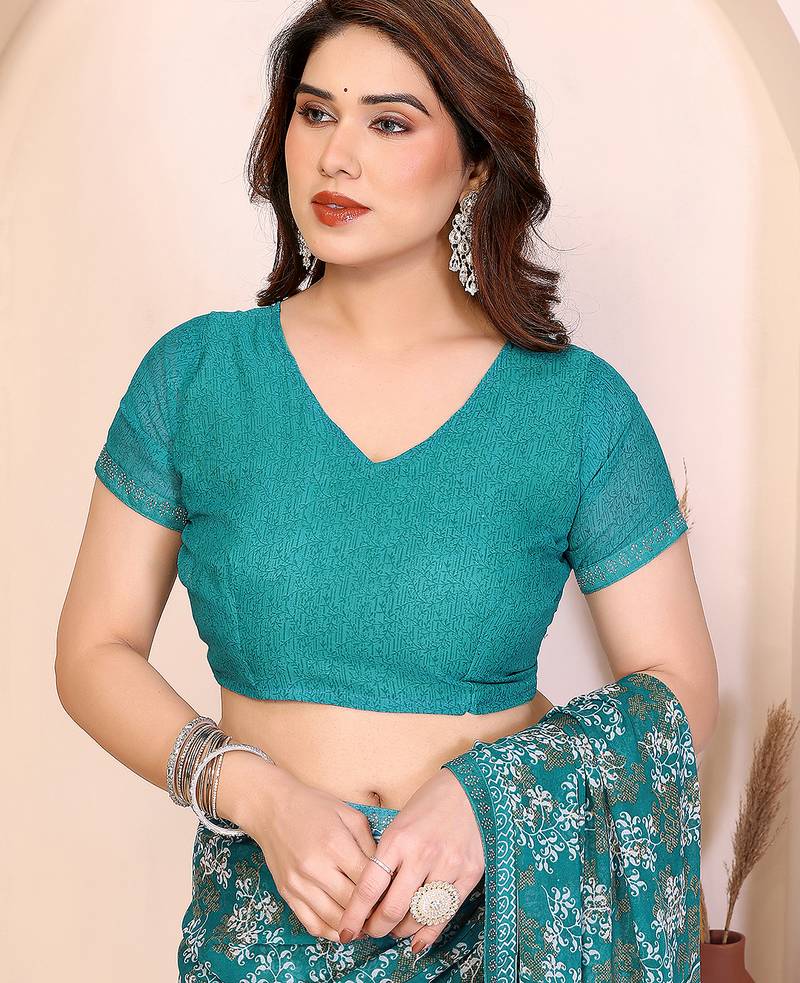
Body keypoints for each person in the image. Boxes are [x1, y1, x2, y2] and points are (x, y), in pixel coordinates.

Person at [55, 2, 719, 981]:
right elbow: (91, 650)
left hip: (496, 929)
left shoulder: (576, 406)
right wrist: (253, 792)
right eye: (315, 112)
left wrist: (489, 803)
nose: (337, 156)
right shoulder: (197, 377)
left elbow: (677, 690)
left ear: (477, 162)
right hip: (262, 922)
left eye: (390, 122)